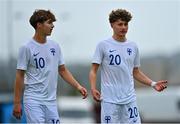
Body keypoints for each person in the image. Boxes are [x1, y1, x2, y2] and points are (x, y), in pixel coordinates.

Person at [89, 8, 167, 124]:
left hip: (129, 100)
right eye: (120, 24)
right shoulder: (103, 45)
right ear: (112, 25)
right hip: (110, 101)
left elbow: (135, 72)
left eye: (126, 24)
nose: (123, 27)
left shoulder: (133, 46)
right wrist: (93, 88)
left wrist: (153, 83)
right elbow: (93, 70)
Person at [13, 9, 88, 123]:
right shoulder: (26, 47)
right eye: (49, 23)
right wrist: (17, 103)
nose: (53, 26)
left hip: (51, 102)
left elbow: (62, 70)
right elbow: (19, 76)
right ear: (39, 25)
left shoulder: (55, 46)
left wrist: (78, 86)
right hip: (33, 100)